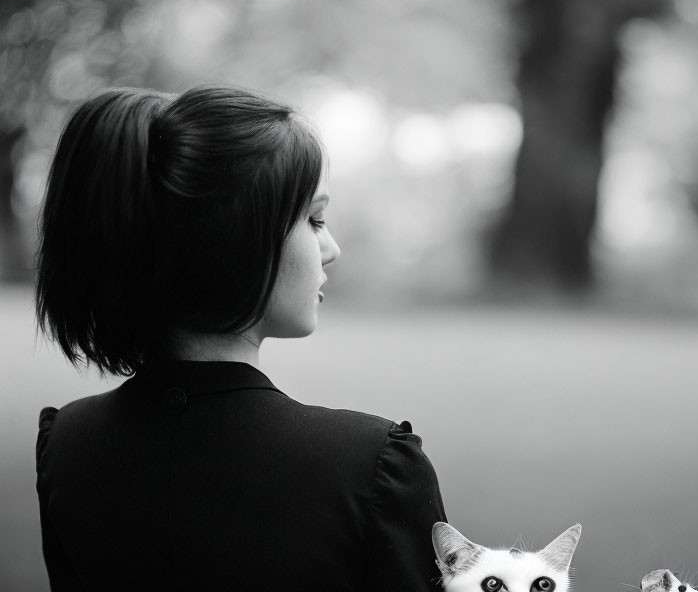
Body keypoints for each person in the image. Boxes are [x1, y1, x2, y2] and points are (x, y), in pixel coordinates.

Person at [34, 85, 446, 591]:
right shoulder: (370, 468)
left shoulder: (69, 446)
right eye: (313, 220)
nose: (331, 249)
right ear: (238, 240)